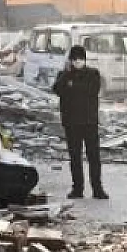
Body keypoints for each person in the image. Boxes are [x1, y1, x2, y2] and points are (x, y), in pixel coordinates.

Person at [52, 45, 108, 199]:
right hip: (71, 123)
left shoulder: (92, 74)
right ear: (70, 60)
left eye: (80, 59)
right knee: (75, 158)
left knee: (94, 157)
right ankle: (78, 189)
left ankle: (97, 189)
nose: (78, 62)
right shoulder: (64, 75)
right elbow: (56, 89)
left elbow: (91, 90)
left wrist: (72, 86)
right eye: (75, 59)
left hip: (89, 122)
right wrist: (67, 75)